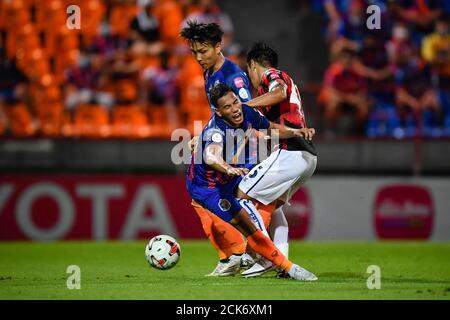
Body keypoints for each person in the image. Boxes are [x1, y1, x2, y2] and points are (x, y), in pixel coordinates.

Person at [186, 83, 317, 281]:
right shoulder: (216, 130)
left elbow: (271, 128)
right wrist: (228, 168)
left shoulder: (246, 112)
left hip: (230, 178)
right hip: (209, 189)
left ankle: (256, 258)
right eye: (228, 107)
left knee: (262, 205)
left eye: (235, 102)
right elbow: (212, 156)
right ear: (219, 112)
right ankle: (283, 266)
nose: (235, 109)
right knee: (248, 227)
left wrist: (295, 132)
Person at [236, 42, 318, 278]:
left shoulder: (272, 75)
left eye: (248, 71)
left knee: (241, 194)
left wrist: (245, 106)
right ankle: (283, 262)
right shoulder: (270, 95)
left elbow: (279, 91)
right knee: (272, 206)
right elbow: (263, 129)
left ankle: (265, 257)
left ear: (253, 65)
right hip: (306, 156)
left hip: (290, 152)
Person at [180, 21, 253, 276]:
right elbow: (218, 114)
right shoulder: (210, 72)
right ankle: (239, 255)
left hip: (238, 150)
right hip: (221, 145)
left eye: (204, 51)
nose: (199, 58)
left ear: (218, 46)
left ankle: (239, 255)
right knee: (204, 200)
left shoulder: (233, 76)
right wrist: (201, 137)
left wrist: (232, 157)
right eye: (195, 52)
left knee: (205, 198)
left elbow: (248, 115)